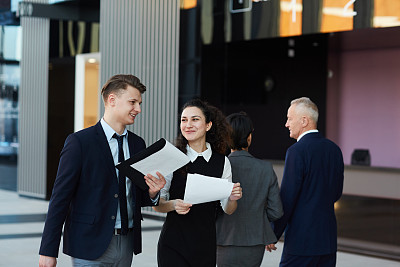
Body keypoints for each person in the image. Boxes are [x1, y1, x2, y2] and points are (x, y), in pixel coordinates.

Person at [38, 74, 166, 267]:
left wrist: (153, 192)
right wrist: (48, 251)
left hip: (127, 242)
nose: (138, 109)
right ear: (112, 100)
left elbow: (136, 195)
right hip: (88, 243)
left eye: (139, 103)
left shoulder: (138, 144)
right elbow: (60, 198)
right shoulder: (80, 142)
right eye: (133, 102)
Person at [153, 99, 242, 267]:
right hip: (173, 245)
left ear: (208, 125)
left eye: (195, 119)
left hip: (205, 246)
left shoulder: (222, 162)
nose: (188, 125)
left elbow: (229, 210)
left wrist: (232, 198)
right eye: (184, 120)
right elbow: (158, 205)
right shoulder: (172, 158)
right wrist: (173, 205)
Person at [273, 97, 344, 267]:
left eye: (290, 118)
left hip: (301, 242)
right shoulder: (334, 150)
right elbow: (336, 193)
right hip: (327, 240)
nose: (286, 124)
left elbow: (287, 198)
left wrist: (272, 233)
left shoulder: (296, 151)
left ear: (304, 121)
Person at [216, 112, 283, 267]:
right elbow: (276, 211)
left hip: (222, 239)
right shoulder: (265, 168)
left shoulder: (218, 167)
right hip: (255, 241)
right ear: (249, 137)